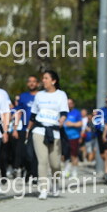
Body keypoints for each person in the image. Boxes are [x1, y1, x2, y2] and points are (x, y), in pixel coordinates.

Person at [28, 70, 69, 200]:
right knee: (42, 161)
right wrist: (28, 130)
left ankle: (55, 183)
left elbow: (64, 112)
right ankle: (44, 189)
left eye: (46, 78)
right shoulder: (39, 95)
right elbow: (33, 115)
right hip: (39, 131)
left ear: (53, 81)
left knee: (55, 164)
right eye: (43, 78)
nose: (43, 80)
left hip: (54, 132)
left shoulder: (61, 95)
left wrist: (62, 120)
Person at [12, 75, 39, 181]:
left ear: (37, 83)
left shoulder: (41, 96)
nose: (32, 83)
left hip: (38, 128)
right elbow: (18, 112)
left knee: (35, 153)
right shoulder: (23, 96)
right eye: (29, 81)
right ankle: (28, 170)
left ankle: (35, 175)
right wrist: (15, 129)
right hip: (24, 129)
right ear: (27, 84)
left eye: (34, 81)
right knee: (26, 153)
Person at [63, 98, 82, 179]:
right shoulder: (63, 112)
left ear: (73, 104)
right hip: (64, 137)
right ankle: (66, 169)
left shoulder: (76, 112)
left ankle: (74, 172)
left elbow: (80, 123)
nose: (68, 105)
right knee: (64, 155)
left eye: (70, 103)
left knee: (74, 155)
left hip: (74, 137)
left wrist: (72, 124)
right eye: (67, 103)